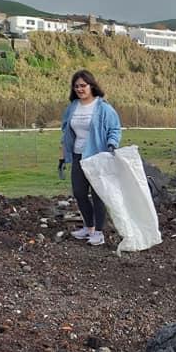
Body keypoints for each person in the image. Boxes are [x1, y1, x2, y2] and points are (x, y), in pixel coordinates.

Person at [59, 70, 122, 247]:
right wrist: (63, 155)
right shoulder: (72, 107)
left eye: (83, 85)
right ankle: (89, 226)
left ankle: (99, 232)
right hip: (78, 155)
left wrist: (111, 144)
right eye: (76, 86)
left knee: (98, 195)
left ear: (91, 86)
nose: (80, 89)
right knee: (79, 193)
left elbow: (115, 129)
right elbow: (65, 132)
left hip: (97, 155)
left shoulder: (103, 108)